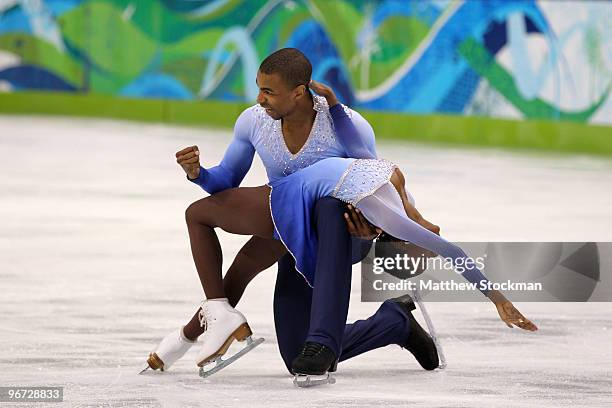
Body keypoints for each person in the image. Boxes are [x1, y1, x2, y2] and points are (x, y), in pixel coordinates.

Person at [145, 48, 441, 376]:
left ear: (299, 92)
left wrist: (380, 231)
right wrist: (198, 173)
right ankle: (394, 323)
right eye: (258, 88)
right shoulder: (254, 122)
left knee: (313, 216)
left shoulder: (345, 123)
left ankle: (194, 332)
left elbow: (379, 183)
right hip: (288, 226)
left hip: (345, 231)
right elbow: (226, 181)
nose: (260, 99)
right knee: (295, 356)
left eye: (269, 91)